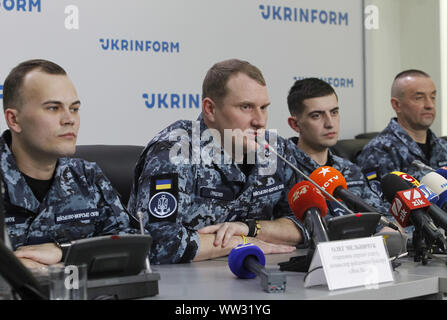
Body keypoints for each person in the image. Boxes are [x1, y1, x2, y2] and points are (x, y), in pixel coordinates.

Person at [128, 58, 309, 264]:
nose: (260, 121)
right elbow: (157, 243)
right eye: (246, 107)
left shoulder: (275, 149)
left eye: (264, 107)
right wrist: (242, 242)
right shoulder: (174, 150)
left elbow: (318, 220)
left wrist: (253, 228)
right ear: (210, 109)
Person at [1, 59, 135, 268]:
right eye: (53, 108)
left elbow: (132, 246)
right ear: (14, 120)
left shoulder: (87, 177)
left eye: (74, 108)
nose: (69, 119)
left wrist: (63, 251)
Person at [285, 77, 391, 219]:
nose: (330, 123)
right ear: (295, 124)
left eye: (334, 112)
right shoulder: (283, 170)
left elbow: (381, 217)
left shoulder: (350, 169)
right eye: (316, 116)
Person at [356, 70, 447, 183]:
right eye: (419, 98)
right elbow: (378, 199)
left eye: (433, 97)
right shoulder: (378, 151)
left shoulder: (443, 146)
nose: (429, 105)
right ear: (396, 105)